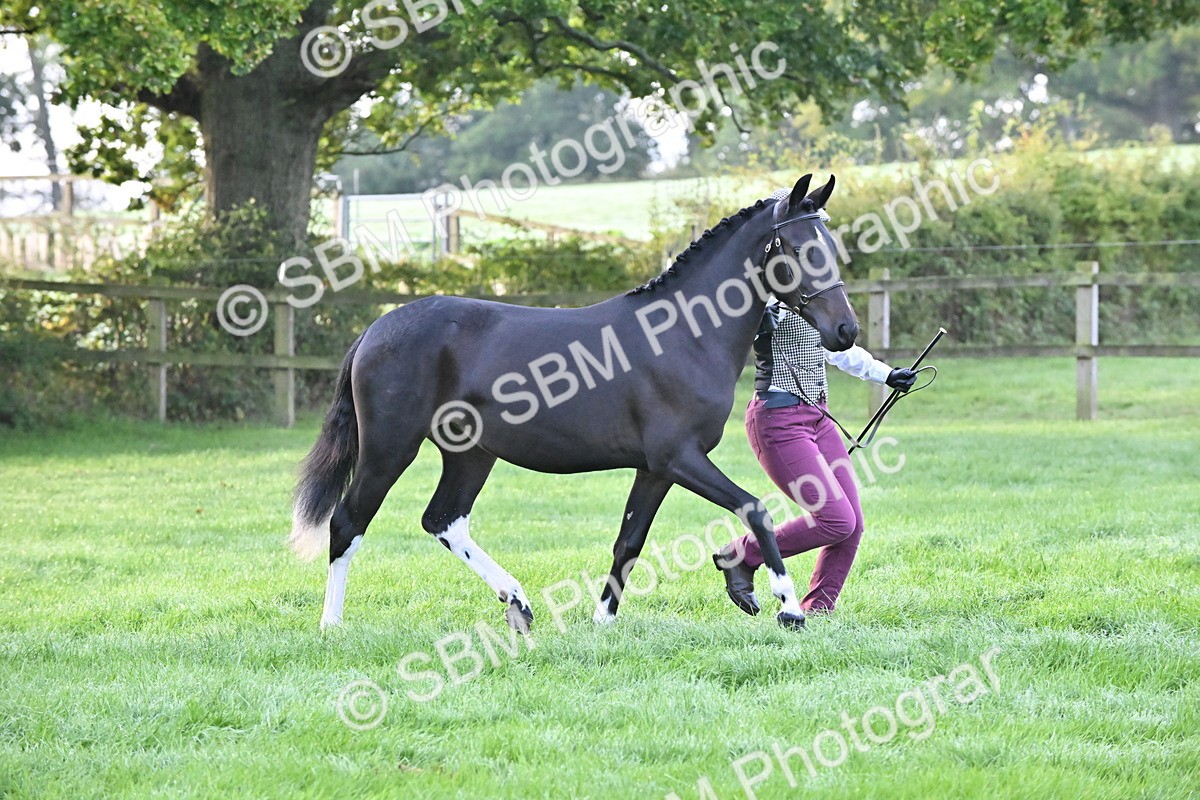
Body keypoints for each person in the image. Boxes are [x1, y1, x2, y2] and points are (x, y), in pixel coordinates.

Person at [712, 300, 918, 616]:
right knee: (836, 519)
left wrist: (887, 375)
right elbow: (723, 331)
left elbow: (837, 351)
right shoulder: (758, 296)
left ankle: (818, 610)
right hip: (777, 421)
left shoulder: (813, 297)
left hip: (819, 417)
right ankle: (741, 554)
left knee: (852, 525)